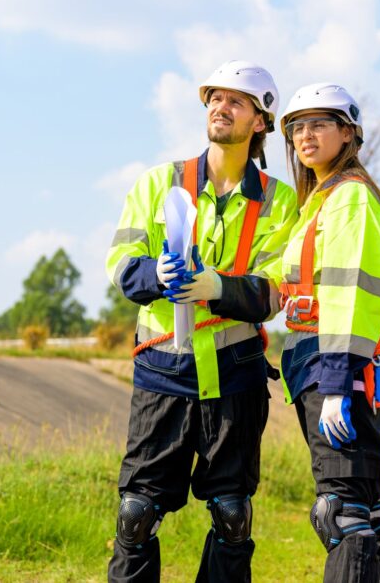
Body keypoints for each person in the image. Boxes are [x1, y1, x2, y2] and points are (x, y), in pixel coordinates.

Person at [105, 60, 298, 583]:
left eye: (236, 101)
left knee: (233, 515)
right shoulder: (157, 183)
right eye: (214, 97)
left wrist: (218, 288)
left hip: (236, 373)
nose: (220, 106)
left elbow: (275, 288)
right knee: (136, 513)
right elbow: (121, 266)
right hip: (162, 372)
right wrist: (154, 273)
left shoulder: (281, 202)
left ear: (260, 121)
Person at [276, 83, 380, 582]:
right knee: (366, 510)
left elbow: (349, 297)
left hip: (341, 370)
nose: (305, 136)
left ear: (348, 132)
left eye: (319, 124)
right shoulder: (324, 200)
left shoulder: (348, 199)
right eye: (297, 127)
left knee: (342, 512)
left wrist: (334, 387)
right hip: (334, 367)